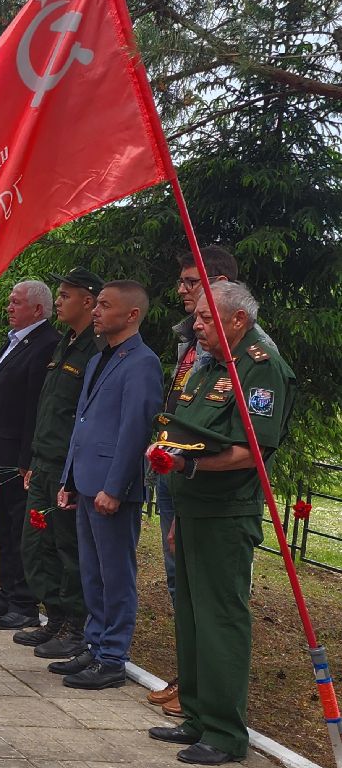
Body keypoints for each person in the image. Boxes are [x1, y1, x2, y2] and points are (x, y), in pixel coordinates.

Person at [148, 281, 294, 764]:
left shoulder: (260, 366)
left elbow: (250, 450)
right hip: (192, 509)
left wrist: (190, 468)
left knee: (220, 619)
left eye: (207, 318)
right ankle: (195, 716)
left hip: (226, 512)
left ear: (237, 320)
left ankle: (226, 733)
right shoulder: (205, 363)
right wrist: (179, 504)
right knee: (190, 616)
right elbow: (185, 431)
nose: (196, 324)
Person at [55, 281, 162, 690]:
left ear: (131, 314)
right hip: (85, 481)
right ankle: (94, 643)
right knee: (92, 571)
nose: (95, 311)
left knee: (115, 573)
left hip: (111, 487)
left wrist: (114, 488)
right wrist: (67, 478)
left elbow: (134, 430)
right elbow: (81, 423)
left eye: (104, 305)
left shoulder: (142, 363)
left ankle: (113, 656)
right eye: (96, 304)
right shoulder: (101, 357)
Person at [148, 244, 238, 716]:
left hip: (206, 480)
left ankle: (204, 690)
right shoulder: (189, 338)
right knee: (176, 577)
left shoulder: (241, 348)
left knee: (201, 588)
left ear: (218, 282)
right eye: (182, 282)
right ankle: (190, 677)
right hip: (176, 471)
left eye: (191, 282)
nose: (181, 290)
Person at [15, 267, 102, 659]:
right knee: (38, 543)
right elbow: (46, 407)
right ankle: (53, 616)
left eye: (66, 295)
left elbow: (83, 416)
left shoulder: (96, 349)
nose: (60, 301)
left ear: (88, 300)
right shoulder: (64, 344)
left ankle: (74, 624)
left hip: (68, 466)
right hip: (44, 459)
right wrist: (33, 456)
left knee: (68, 547)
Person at [0, 280, 60, 630]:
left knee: (21, 532)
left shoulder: (45, 345)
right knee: (4, 530)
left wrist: (27, 461)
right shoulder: (13, 342)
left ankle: (23, 602)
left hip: (17, 457)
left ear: (38, 309)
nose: (9, 307)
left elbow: (34, 410)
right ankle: (7, 593)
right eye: (10, 302)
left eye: (16, 302)